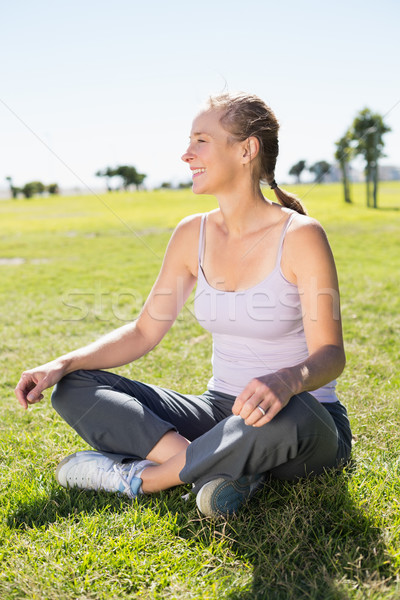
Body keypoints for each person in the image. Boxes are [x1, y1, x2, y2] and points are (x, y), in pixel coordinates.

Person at [15, 92, 352, 517]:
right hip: (219, 410)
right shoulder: (192, 233)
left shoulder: (301, 235)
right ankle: (221, 466)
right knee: (76, 386)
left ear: (247, 149)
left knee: (294, 413)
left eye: (201, 141)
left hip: (304, 420)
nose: (186, 154)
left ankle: (144, 479)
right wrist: (63, 363)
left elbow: (331, 355)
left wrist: (287, 380)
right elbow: (143, 332)